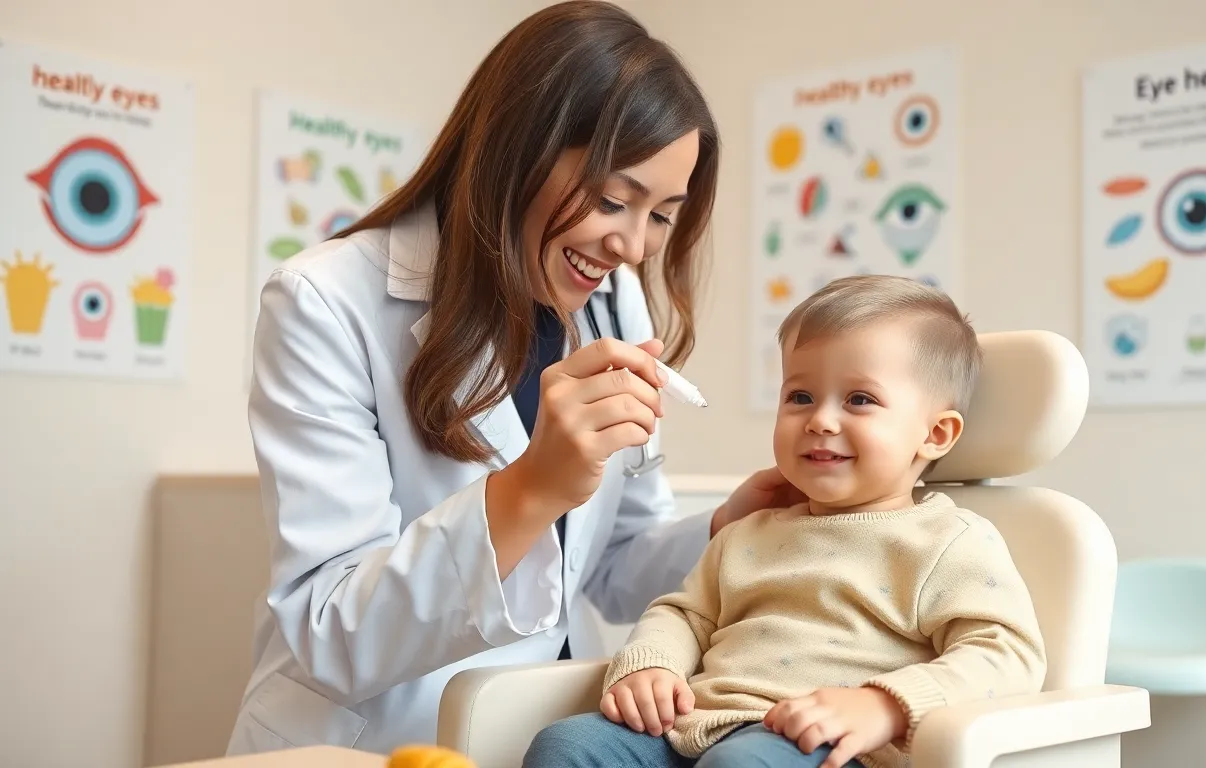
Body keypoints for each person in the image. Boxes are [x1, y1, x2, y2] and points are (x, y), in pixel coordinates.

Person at [226, 1, 804, 755]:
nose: (631, 246)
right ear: (516, 151)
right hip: (373, 739)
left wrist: (728, 527)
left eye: (662, 214)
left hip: (537, 728)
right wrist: (531, 488)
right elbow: (333, 630)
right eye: (610, 200)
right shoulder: (325, 303)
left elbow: (616, 570)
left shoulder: (612, 301)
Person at [523, 276, 1048, 768]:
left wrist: (884, 707)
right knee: (568, 745)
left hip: (825, 749)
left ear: (935, 434)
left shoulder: (946, 541)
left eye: (859, 399)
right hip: (697, 729)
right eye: (800, 396)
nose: (819, 419)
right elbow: (685, 615)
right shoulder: (749, 533)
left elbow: (1007, 655)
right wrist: (651, 663)